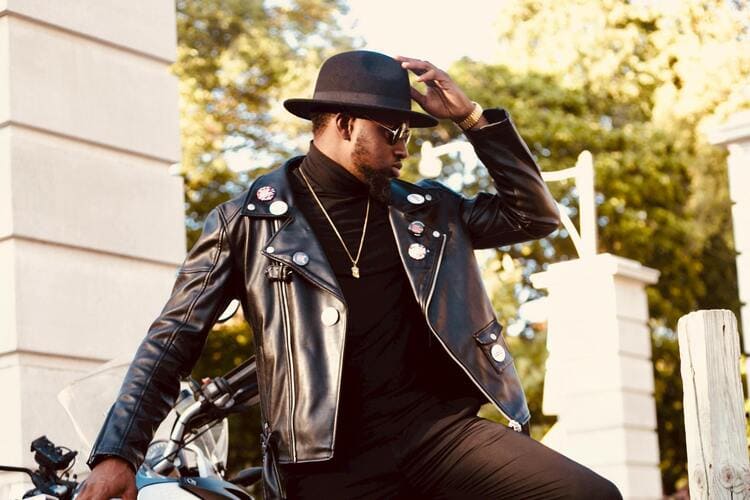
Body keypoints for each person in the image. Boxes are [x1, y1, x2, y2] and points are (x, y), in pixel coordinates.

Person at [78, 50, 622, 499]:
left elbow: (535, 215)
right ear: (343, 124)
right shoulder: (246, 221)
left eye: (409, 131)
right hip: (327, 465)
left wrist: (473, 119)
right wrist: (118, 453)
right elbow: (172, 340)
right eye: (393, 131)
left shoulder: (427, 210)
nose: (405, 146)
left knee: (590, 496)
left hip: (442, 437)